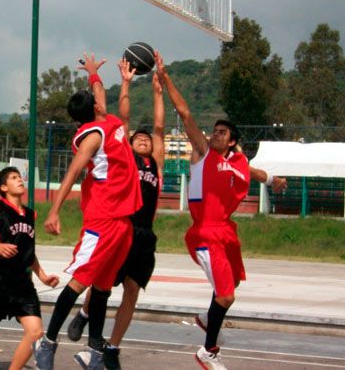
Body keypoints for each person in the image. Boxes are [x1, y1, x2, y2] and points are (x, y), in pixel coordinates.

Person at [154, 53, 286, 370]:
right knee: (226, 297)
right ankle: (208, 351)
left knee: (233, 284)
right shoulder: (202, 153)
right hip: (205, 233)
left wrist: (273, 179)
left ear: (233, 141)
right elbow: (184, 113)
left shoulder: (238, 162)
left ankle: (205, 318)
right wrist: (165, 76)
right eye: (214, 130)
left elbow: (251, 172)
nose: (215, 133)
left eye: (222, 132)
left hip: (226, 231)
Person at [33, 54, 142, 370]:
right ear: (93, 110)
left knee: (104, 288)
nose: (99, 98)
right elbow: (73, 172)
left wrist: (94, 74)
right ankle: (48, 342)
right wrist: (54, 210)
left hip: (122, 221)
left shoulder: (108, 120)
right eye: (96, 99)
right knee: (79, 282)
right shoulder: (93, 136)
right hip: (102, 220)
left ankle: (95, 352)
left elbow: (100, 95)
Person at [68, 57, 165, 369]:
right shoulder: (122, 152)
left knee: (132, 292)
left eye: (147, 140)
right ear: (131, 142)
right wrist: (123, 81)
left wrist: (158, 91)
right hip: (120, 224)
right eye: (139, 138)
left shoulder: (156, 164)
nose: (144, 140)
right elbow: (117, 114)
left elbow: (160, 125)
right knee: (101, 283)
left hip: (144, 235)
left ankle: (112, 347)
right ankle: (84, 315)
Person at [0, 167, 59, 370]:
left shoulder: (29, 214)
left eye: (20, 177)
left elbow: (28, 251)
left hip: (22, 281)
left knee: (36, 332)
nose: (20, 180)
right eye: (14, 178)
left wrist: (42, 276)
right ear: (3, 187)